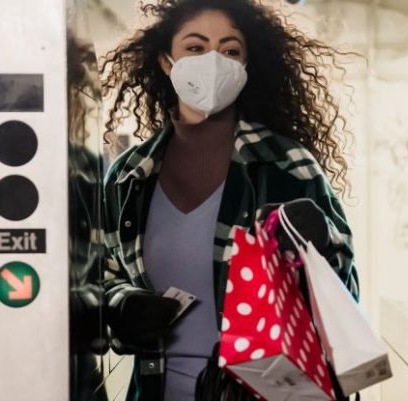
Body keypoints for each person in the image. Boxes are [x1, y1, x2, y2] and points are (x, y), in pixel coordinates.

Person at [98, 1, 359, 400]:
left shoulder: (288, 166)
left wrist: (317, 244)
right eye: (196, 48)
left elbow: (344, 292)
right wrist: (120, 306)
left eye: (230, 50)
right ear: (167, 62)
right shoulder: (129, 176)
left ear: (246, 66)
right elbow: (104, 275)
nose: (214, 61)